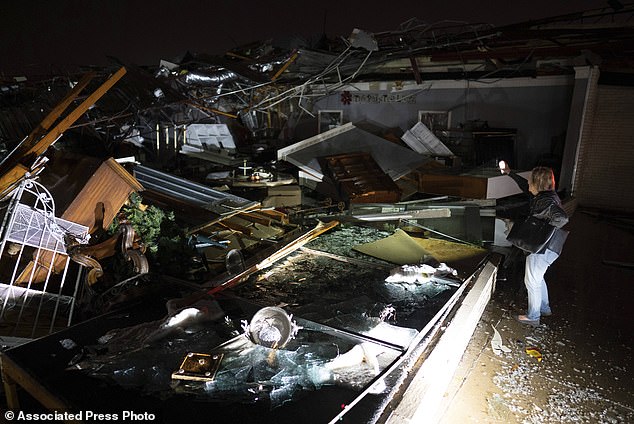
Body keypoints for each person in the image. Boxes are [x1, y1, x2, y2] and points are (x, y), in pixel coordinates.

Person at [499, 161, 569, 326]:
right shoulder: (545, 196)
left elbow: (562, 218)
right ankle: (544, 308)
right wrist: (509, 172)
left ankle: (533, 316)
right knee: (538, 278)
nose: (528, 182)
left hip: (543, 248)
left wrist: (543, 230)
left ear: (538, 183)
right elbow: (524, 186)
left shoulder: (546, 202)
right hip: (551, 247)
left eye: (531, 180)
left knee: (532, 281)